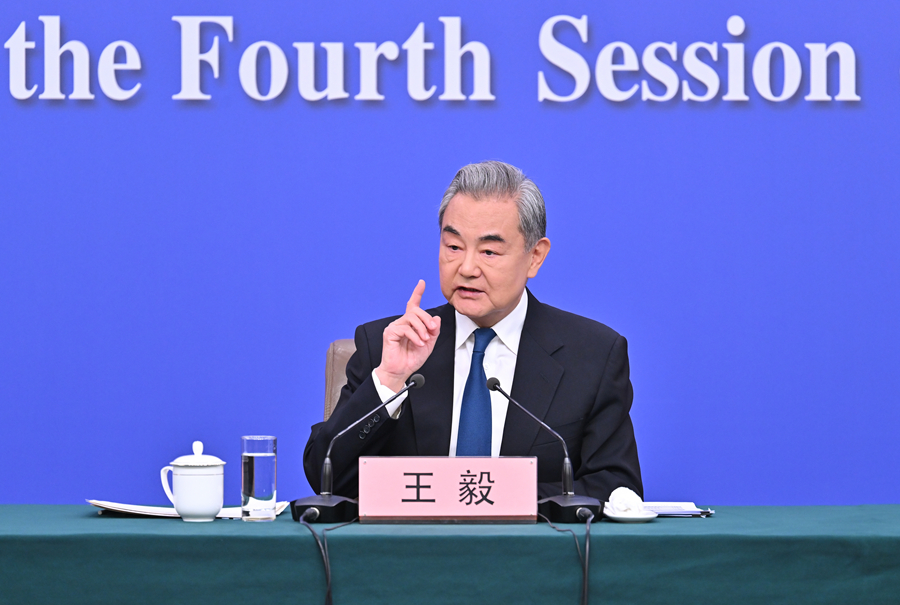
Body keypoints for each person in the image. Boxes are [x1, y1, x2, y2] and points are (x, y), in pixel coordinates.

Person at [303, 161, 642, 503]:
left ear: (535, 257)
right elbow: (325, 478)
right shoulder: (385, 346)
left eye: (489, 252)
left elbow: (616, 487)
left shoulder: (592, 355)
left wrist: (495, 499)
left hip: (532, 538)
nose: (466, 268)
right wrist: (389, 380)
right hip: (411, 539)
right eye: (453, 247)